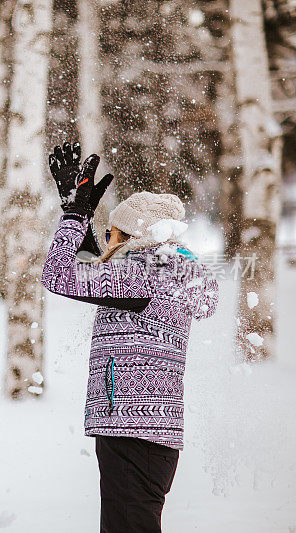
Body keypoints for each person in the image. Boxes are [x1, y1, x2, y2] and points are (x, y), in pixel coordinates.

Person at [42, 142, 218, 533]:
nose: (108, 241)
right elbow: (92, 271)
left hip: (130, 433)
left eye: (112, 232)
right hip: (151, 434)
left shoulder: (142, 275)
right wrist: (78, 215)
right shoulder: (167, 272)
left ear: (135, 235)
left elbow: (59, 275)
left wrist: (75, 214)